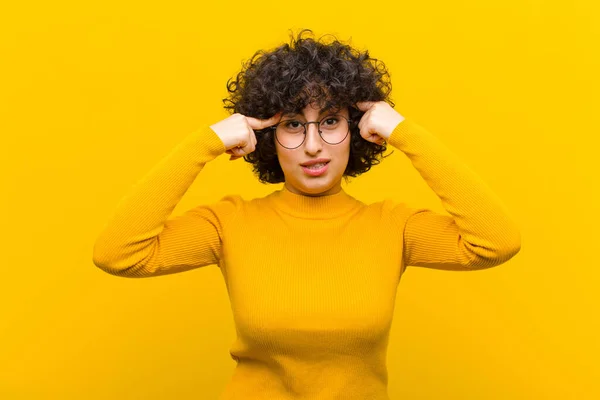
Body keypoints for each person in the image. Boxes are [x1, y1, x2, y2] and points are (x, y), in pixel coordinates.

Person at [92, 29, 521, 400]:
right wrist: (204, 143)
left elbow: (497, 241)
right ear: (267, 136)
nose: (313, 146)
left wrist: (403, 131)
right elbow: (118, 253)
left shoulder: (394, 226)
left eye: (330, 121)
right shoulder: (228, 224)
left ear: (356, 131)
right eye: (294, 124)